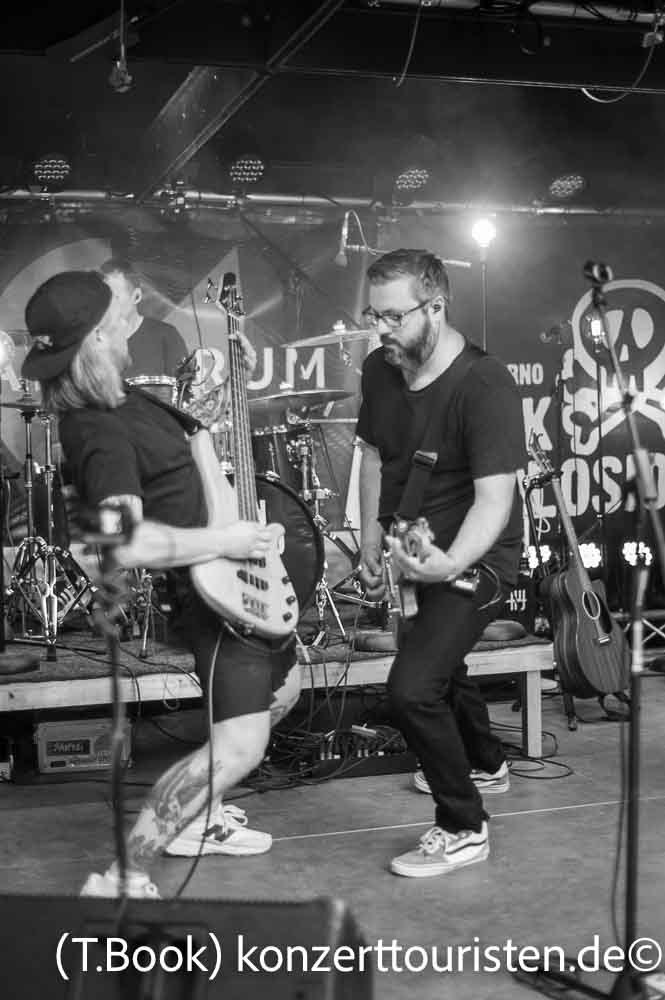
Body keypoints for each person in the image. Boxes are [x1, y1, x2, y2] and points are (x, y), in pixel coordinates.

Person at [21, 270, 300, 898]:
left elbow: (191, 456)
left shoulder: (130, 401)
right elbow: (124, 543)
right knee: (238, 747)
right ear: (97, 337)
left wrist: (226, 387)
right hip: (212, 594)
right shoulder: (96, 428)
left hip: (238, 577)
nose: (133, 310)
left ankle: (199, 811)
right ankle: (125, 875)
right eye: (118, 307)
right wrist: (226, 543)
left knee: (284, 691)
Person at [356, 249, 525, 878]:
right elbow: (374, 457)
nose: (381, 329)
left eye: (394, 317)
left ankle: (463, 825)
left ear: (435, 306)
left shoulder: (484, 383)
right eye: (373, 316)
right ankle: (486, 761)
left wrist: (446, 564)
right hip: (412, 543)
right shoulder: (379, 369)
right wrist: (371, 539)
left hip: (478, 554)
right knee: (440, 664)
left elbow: (494, 501)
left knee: (411, 688)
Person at [99, 257, 189, 379]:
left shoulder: (166, 335)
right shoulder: (92, 342)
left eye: (115, 297)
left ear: (137, 296)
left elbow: (185, 387)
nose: (107, 304)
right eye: (102, 297)